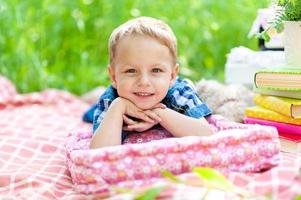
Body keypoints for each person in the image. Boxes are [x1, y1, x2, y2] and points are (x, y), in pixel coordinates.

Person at [90, 17, 213, 149]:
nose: (144, 82)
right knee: (90, 113)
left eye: (156, 70)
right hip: (108, 102)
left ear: (172, 75)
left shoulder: (180, 92)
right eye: (131, 71)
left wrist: (159, 114)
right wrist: (119, 106)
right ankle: (91, 96)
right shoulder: (111, 99)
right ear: (114, 77)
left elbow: (206, 134)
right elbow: (99, 151)